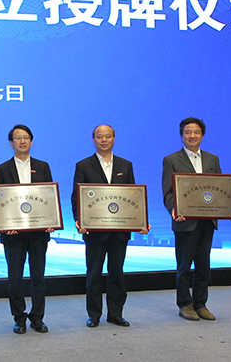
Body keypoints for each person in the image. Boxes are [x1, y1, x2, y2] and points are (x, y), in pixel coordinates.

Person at [162, 117, 231, 321]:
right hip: (184, 221)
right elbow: (168, 192)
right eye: (188, 132)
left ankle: (200, 303)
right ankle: (185, 304)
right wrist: (174, 209)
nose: (192, 136)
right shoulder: (171, 160)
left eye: (196, 132)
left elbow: (221, 188)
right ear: (182, 136)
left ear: (202, 135)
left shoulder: (212, 159)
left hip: (207, 220)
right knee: (184, 266)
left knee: (203, 265)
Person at [71, 124, 149, 328]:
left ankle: (116, 314)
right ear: (93, 140)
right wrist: (79, 221)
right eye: (99, 137)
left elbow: (133, 197)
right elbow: (76, 198)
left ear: (114, 138)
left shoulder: (126, 165)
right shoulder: (83, 165)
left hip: (119, 232)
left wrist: (140, 221)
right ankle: (94, 314)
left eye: (108, 136)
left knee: (117, 273)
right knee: (93, 274)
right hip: (94, 232)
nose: (104, 140)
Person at [0, 124, 53, 334]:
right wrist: (4, 225)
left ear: (31, 141)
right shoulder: (2, 169)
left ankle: (38, 317)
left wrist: (50, 220)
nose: (22, 141)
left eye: (26, 137)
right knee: (14, 279)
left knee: (38, 278)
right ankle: (19, 318)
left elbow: (48, 196)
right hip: (13, 234)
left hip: (38, 233)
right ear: (11, 143)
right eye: (18, 138)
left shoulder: (43, 166)